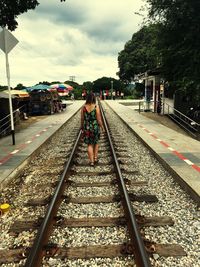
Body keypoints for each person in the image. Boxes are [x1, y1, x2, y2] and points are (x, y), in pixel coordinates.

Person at [81, 93, 104, 166]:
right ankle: (95, 158)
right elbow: (99, 119)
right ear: (94, 99)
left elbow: (82, 119)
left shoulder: (83, 107)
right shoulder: (96, 107)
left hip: (87, 127)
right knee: (96, 142)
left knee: (89, 144)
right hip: (94, 126)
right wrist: (102, 127)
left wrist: (82, 127)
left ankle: (91, 162)